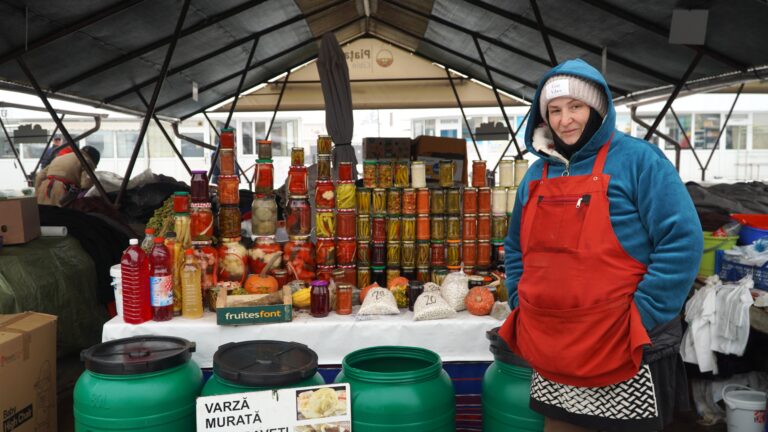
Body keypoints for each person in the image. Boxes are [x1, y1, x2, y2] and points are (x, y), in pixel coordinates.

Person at [500, 59, 703, 432]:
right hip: (552, 347)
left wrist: (641, 316)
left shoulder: (639, 161)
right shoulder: (536, 173)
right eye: (555, 111)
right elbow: (515, 249)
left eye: (576, 107)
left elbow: (682, 240)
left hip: (623, 347)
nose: (565, 120)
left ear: (599, 108)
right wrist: (519, 301)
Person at [35, 146, 100, 206]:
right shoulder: (87, 161)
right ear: (94, 160)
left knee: (43, 215)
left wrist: (37, 191)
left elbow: (40, 176)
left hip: (44, 189)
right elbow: (86, 184)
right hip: (63, 191)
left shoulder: (60, 157)